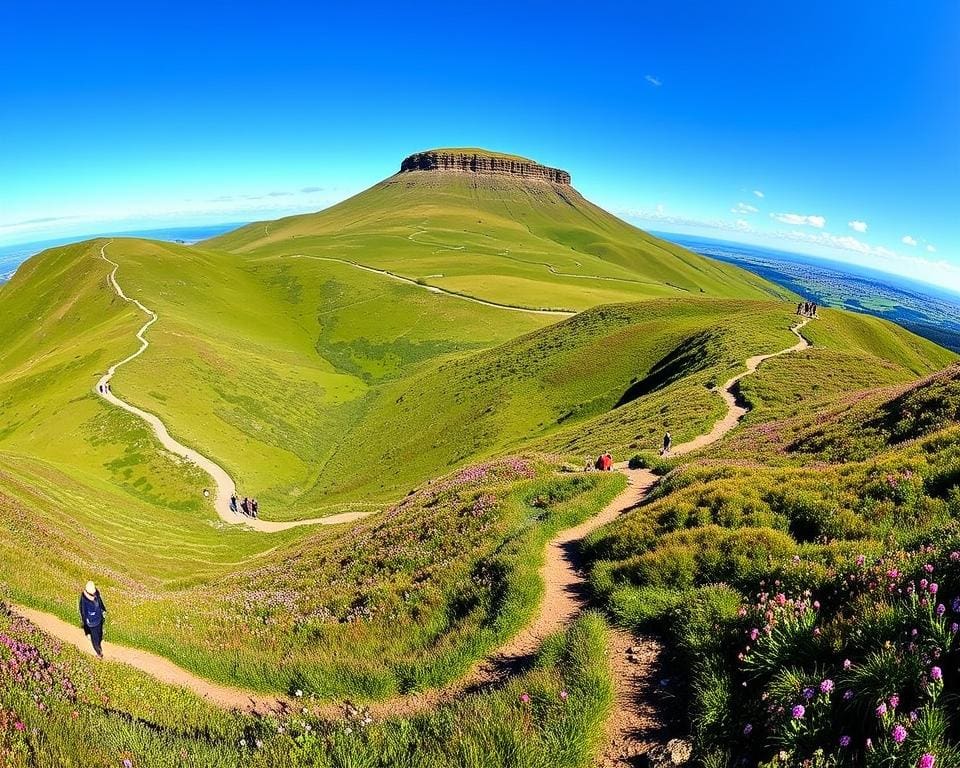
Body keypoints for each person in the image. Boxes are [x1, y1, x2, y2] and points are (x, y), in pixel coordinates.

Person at [79, 581, 107, 658]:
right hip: (91, 623)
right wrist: (87, 630)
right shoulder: (84, 600)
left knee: (99, 634)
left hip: (99, 619)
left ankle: (99, 642)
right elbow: (83, 614)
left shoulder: (96, 593)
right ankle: (99, 652)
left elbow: (100, 601)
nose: (94, 594)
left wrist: (103, 609)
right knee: (94, 639)